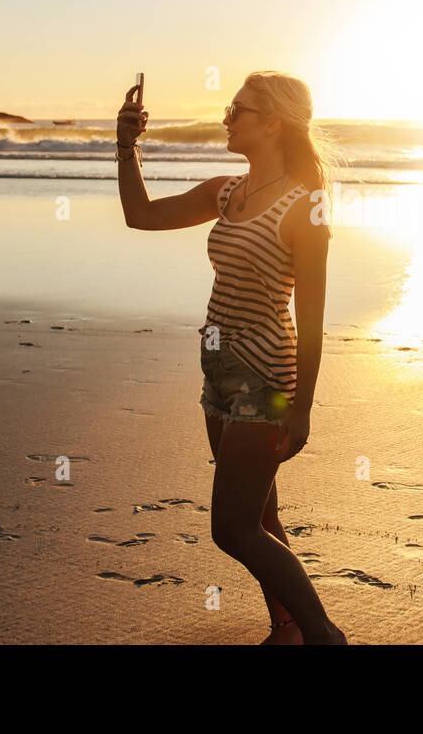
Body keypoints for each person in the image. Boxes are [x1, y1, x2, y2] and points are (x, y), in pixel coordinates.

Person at [116, 70, 346, 645]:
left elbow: (314, 315)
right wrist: (127, 147)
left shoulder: (305, 206)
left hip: (266, 380)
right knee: (262, 517)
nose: (225, 117)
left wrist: (302, 408)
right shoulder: (228, 192)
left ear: (272, 123)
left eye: (237, 110)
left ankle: (325, 638)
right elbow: (140, 215)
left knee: (234, 529)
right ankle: (289, 630)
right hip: (217, 373)